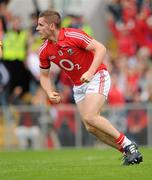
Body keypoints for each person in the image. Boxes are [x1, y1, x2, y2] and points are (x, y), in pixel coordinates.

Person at [36, 10, 143, 165]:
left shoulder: (73, 35)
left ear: (52, 26)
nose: (37, 28)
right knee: (90, 127)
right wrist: (49, 91)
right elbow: (44, 76)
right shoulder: (44, 50)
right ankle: (126, 151)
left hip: (97, 76)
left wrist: (90, 71)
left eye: (41, 25)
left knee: (90, 116)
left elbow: (101, 48)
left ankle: (128, 144)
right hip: (78, 86)